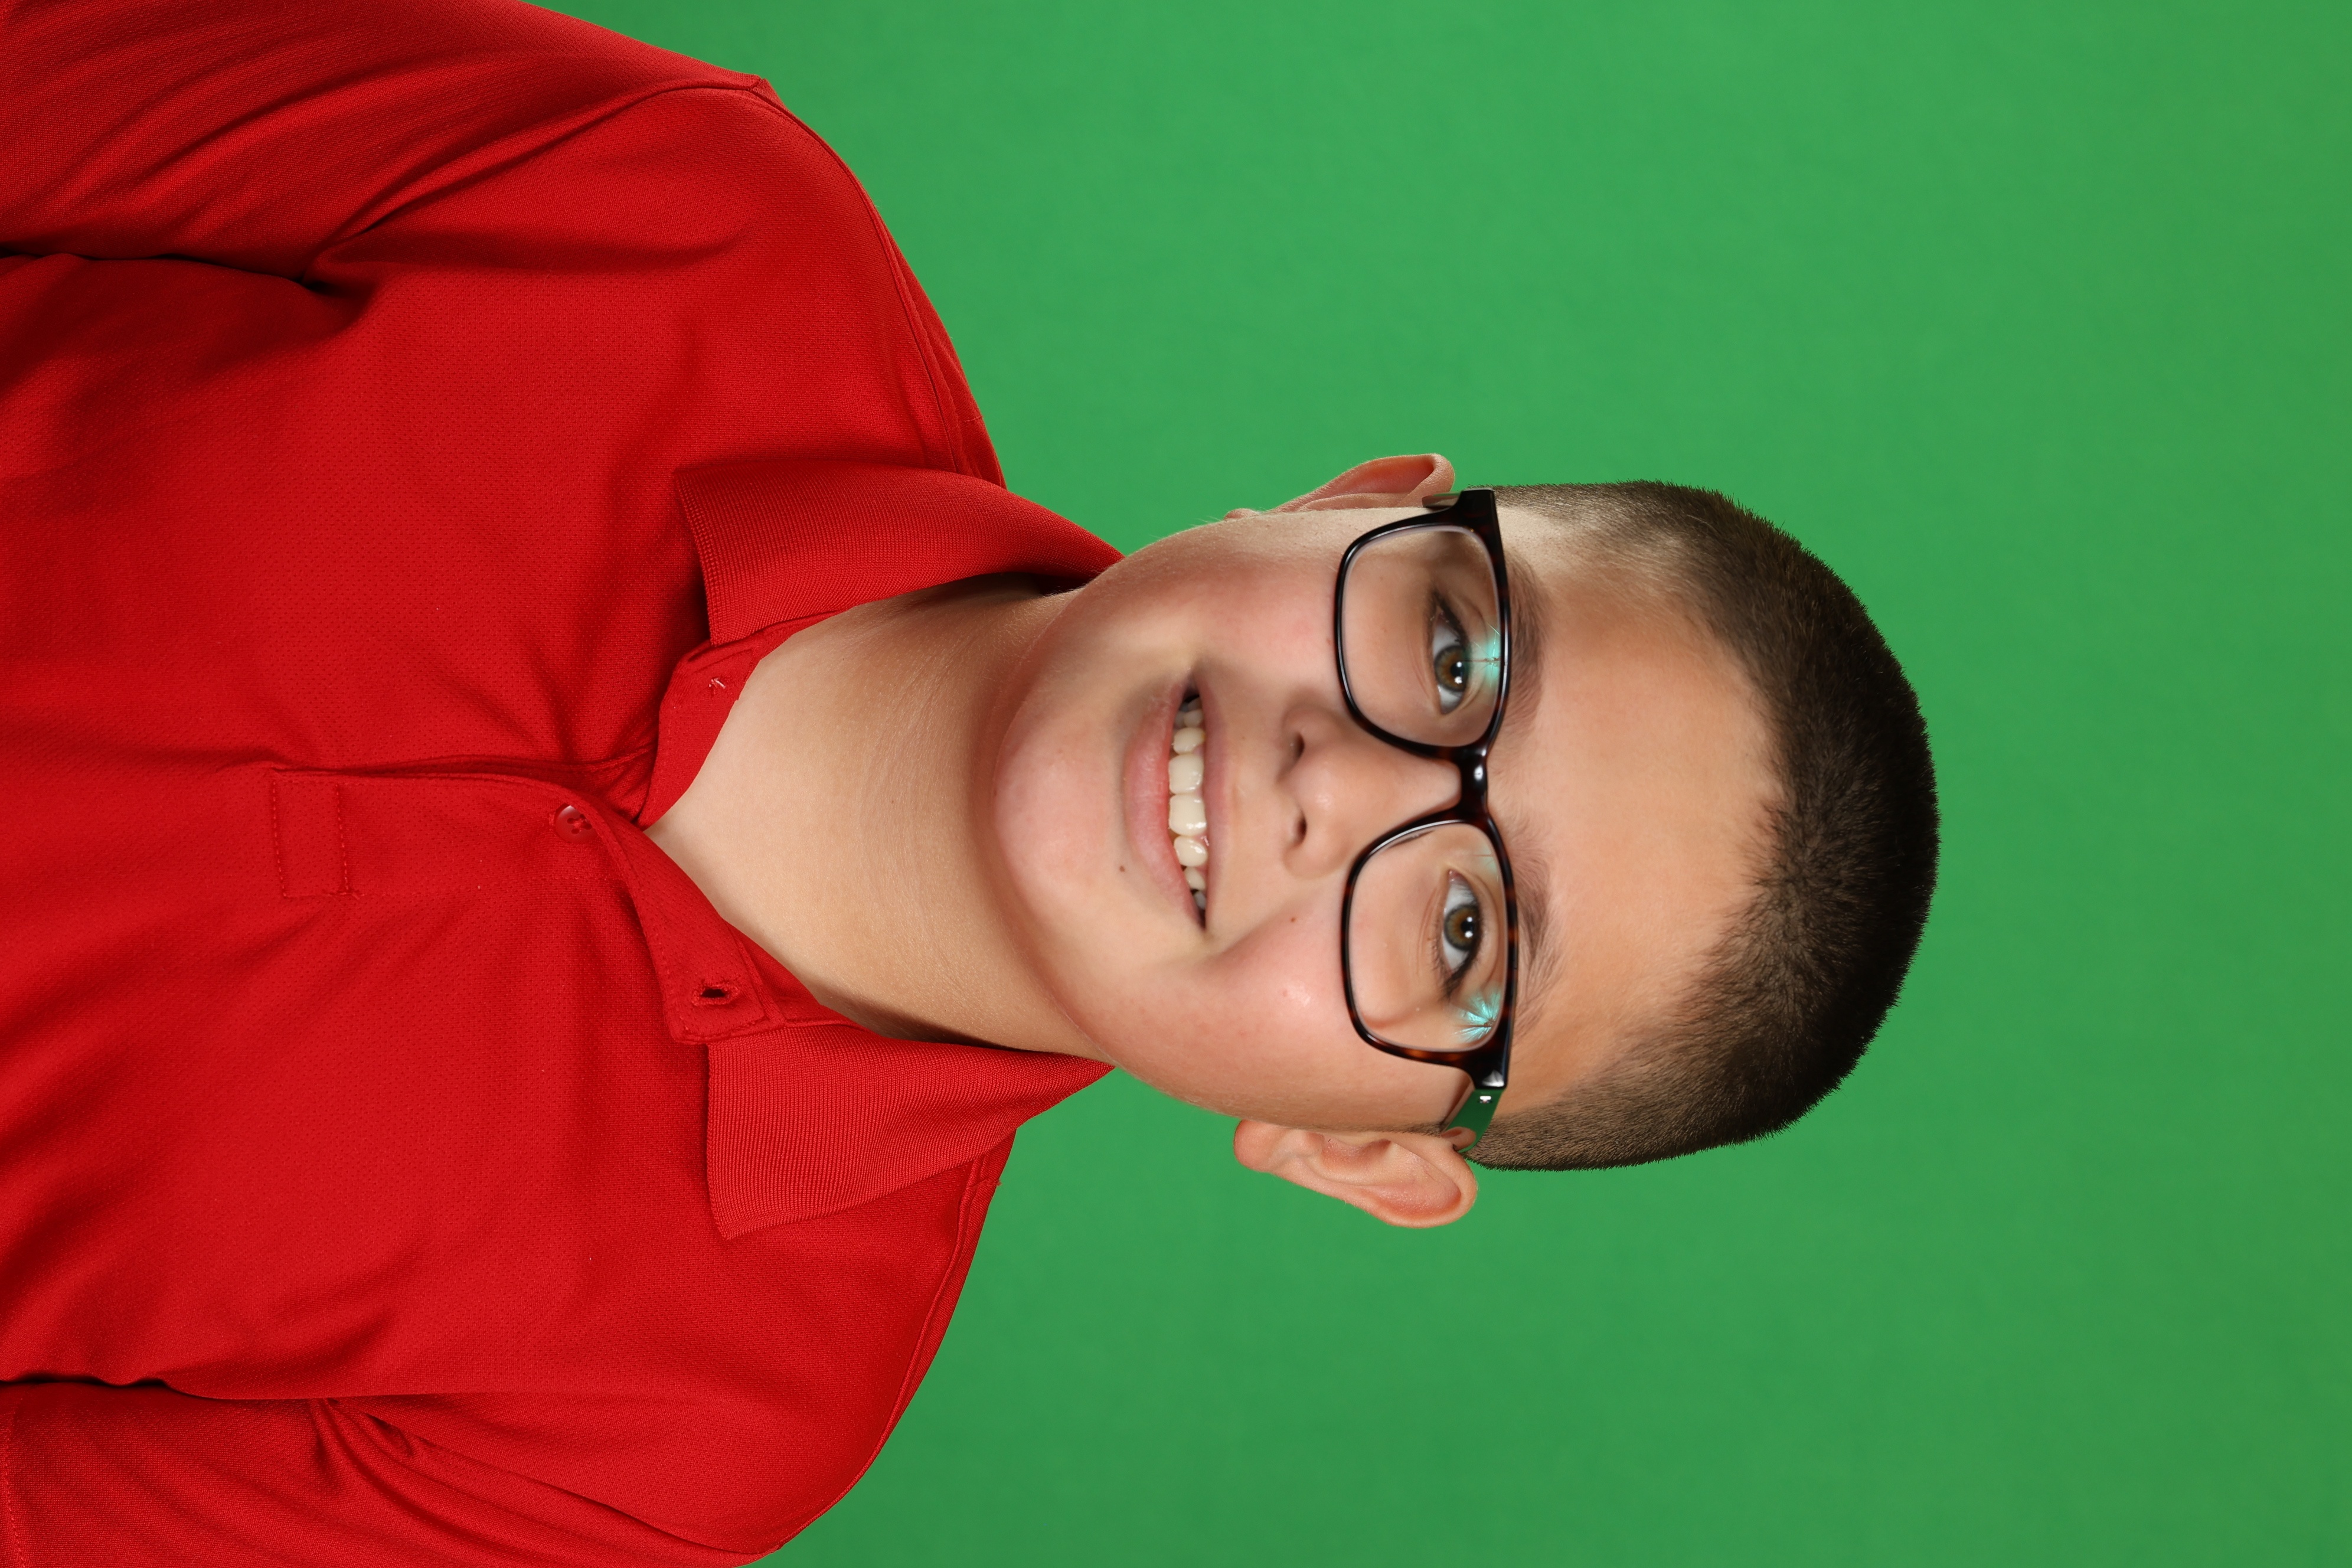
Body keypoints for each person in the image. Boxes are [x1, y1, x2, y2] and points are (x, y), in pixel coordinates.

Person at [0, 0, 1938, 1559]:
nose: (1333, 785)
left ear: (1356, 1149)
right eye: (1449, 658)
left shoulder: (676, 1447)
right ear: (1352, 503)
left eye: (1459, 934)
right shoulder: (678, 200)